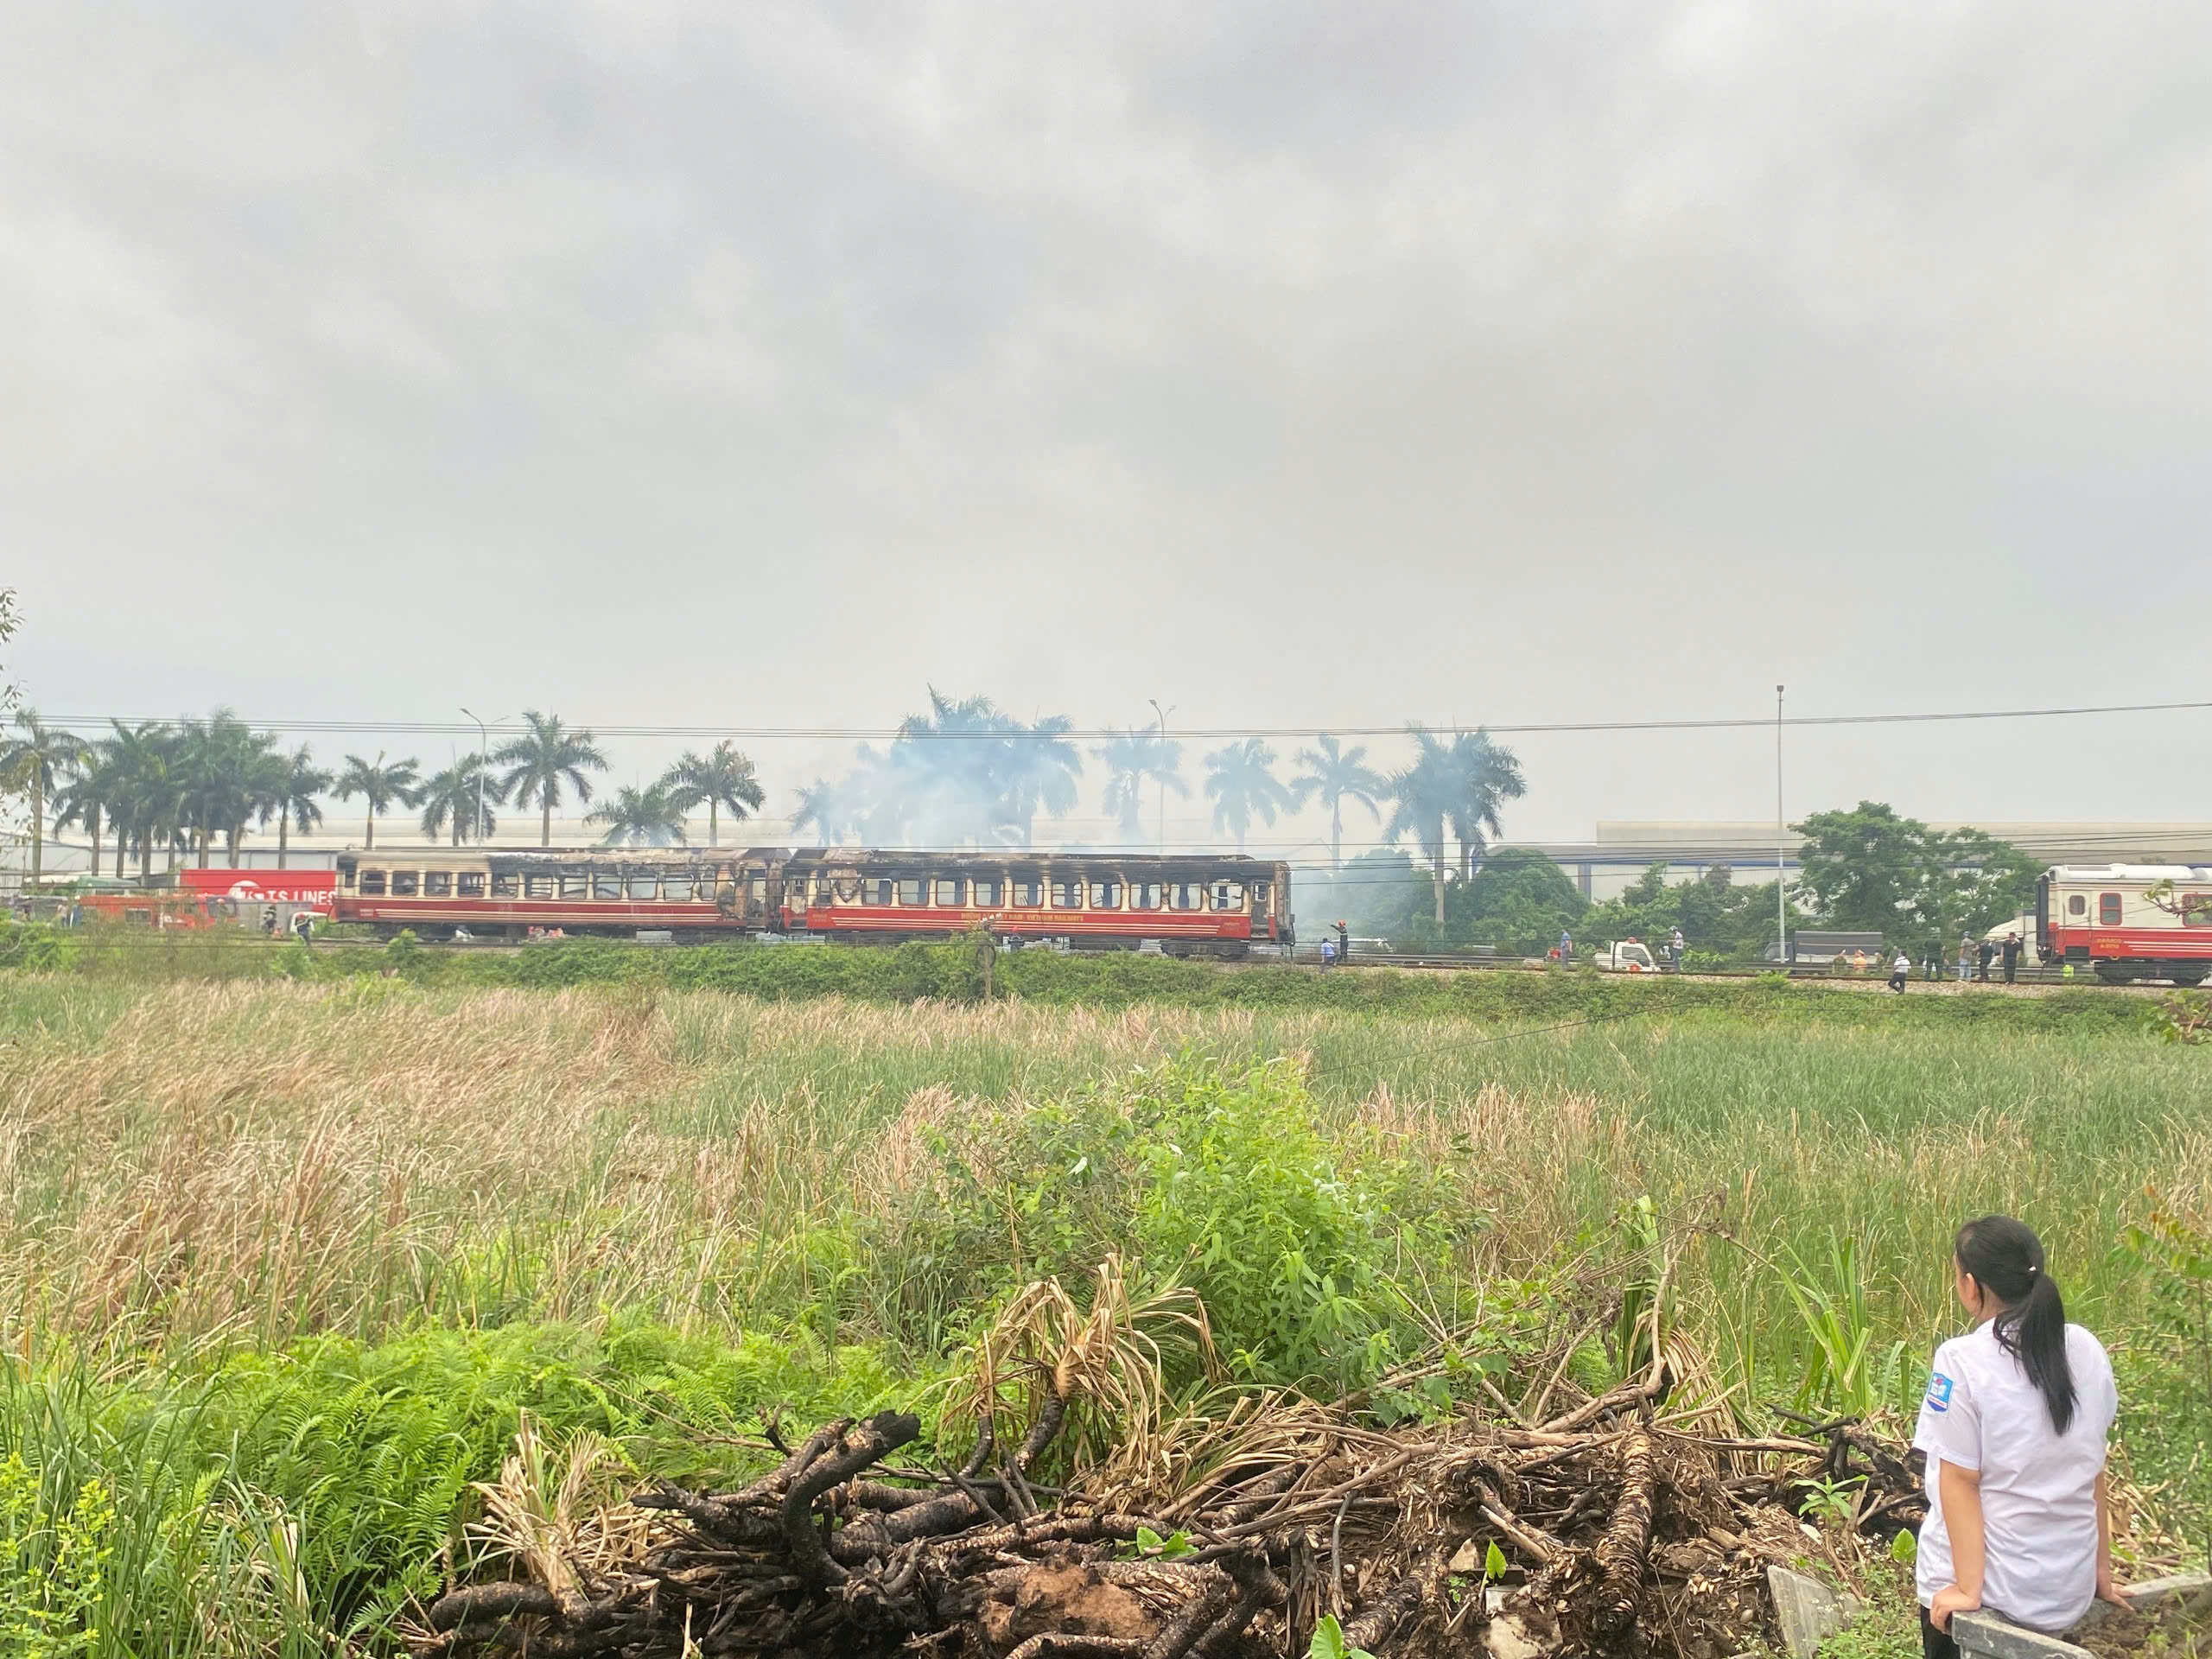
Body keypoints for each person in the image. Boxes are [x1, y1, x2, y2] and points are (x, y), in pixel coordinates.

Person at [1916, 1217, 2119, 1658]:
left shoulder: (1961, 1360)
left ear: (1972, 1286)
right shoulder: (2085, 1348)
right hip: (2067, 1592)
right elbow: (2093, 1469)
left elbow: (1958, 1481)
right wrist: (2099, 1570)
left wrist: (1968, 1590)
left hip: (1993, 1596)